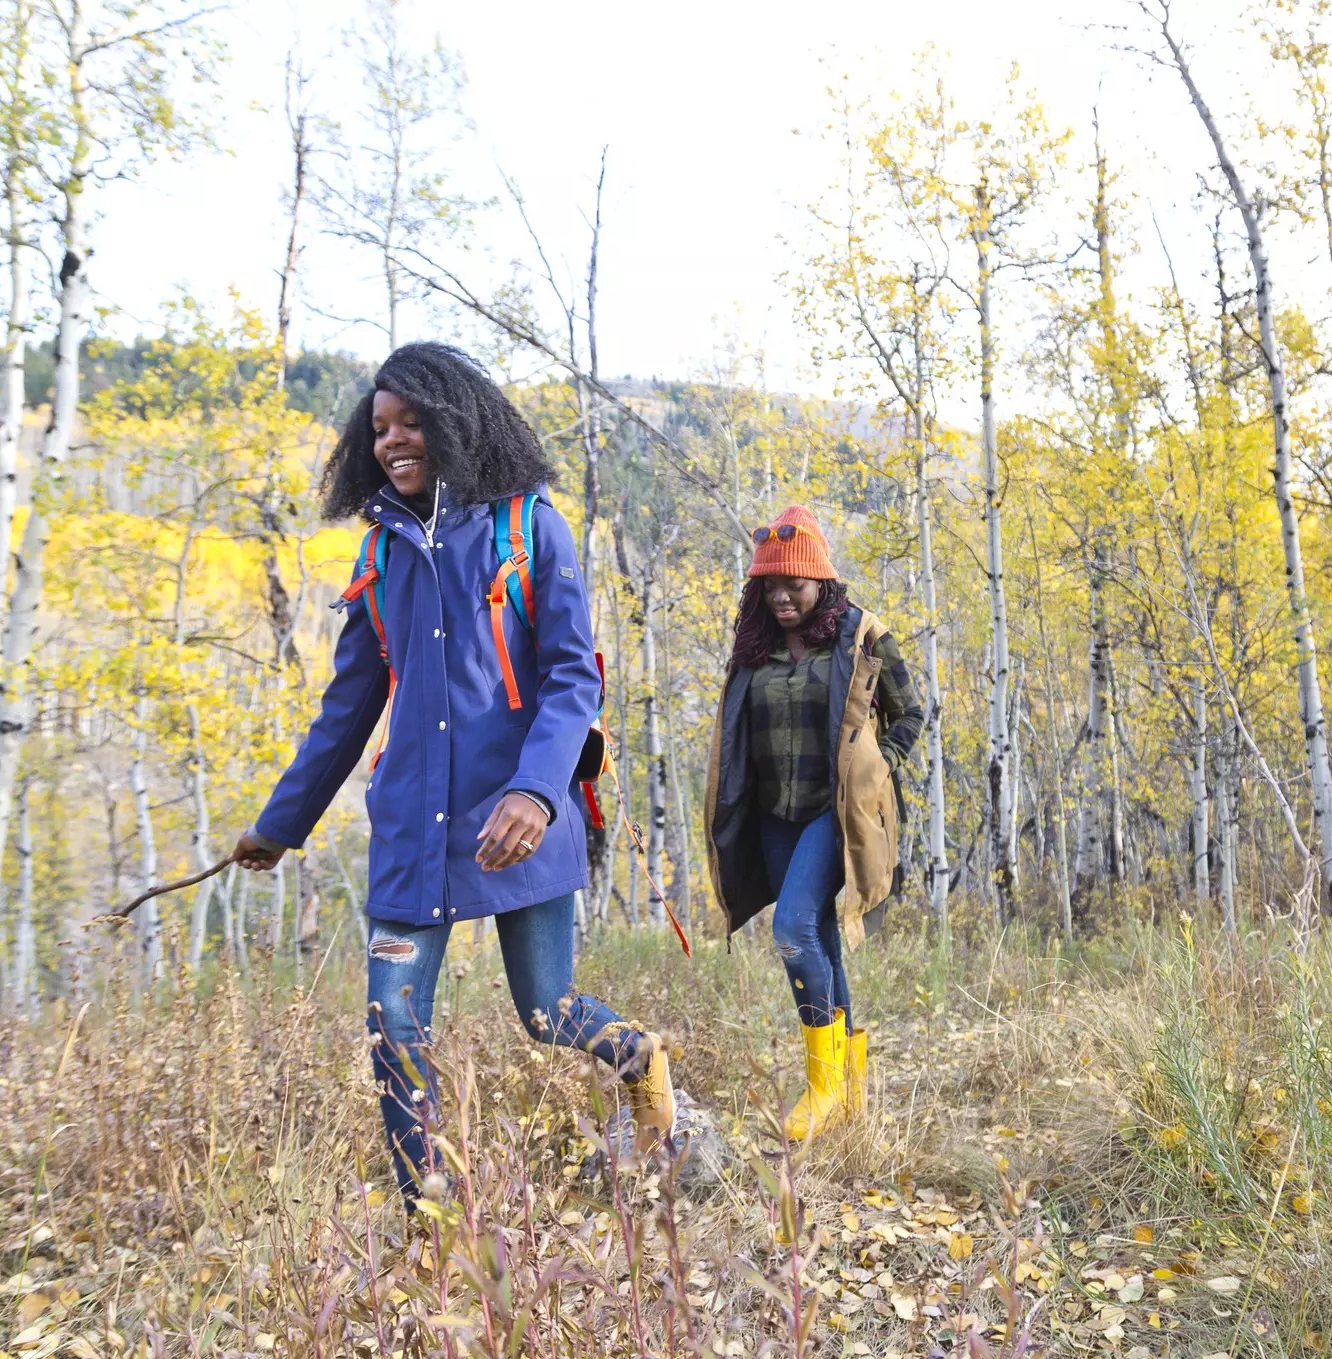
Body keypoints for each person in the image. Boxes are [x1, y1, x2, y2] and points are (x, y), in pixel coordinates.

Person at [230, 342, 674, 1202]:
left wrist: (536, 793)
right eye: (379, 428)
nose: (392, 440)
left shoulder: (528, 524)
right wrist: (280, 825)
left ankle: (641, 1059)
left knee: (546, 1010)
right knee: (392, 1018)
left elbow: (573, 674)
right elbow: (346, 709)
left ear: (455, 419)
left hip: (519, 817)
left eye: (411, 423)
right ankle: (428, 1209)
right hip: (410, 831)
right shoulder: (380, 554)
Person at [702, 505, 925, 1142]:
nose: (779, 596)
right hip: (773, 813)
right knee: (820, 935)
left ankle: (821, 1088)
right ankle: (850, 1088)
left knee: (793, 928)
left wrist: (875, 769)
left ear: (819, 581)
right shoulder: (753, 648)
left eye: (792, 585)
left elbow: (911, 713)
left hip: (835, 812)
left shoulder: (861, 636)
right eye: (767, 586)